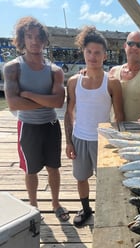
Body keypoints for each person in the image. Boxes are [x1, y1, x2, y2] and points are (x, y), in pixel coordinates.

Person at [3, 16, 69, 222]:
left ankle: (56, 203)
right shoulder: (13, 68)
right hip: (28, 126)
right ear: (22, 39)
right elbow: (13, 104)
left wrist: (30, 95)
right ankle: (33, 205)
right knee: (30, 169)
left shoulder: (55, 71)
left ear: (44, 40)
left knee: (53, 167)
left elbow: (59, 102)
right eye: (29, 36)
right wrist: (47, 101)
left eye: (39, 37)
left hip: (50, 125)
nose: (34, 41)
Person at [64, 26, 124, 228]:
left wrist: (119, 144)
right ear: (83, 52)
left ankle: (105, 209)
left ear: (105, 56)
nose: (93, 56)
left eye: (97, 52)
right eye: (89, 51)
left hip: (103, 140)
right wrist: (68, 142)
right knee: (81, 177)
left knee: (105, 180)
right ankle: (86, 208)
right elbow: (68, 112)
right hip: (80, 138)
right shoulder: (73, 81)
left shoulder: (113, 82)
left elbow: (120, 116)